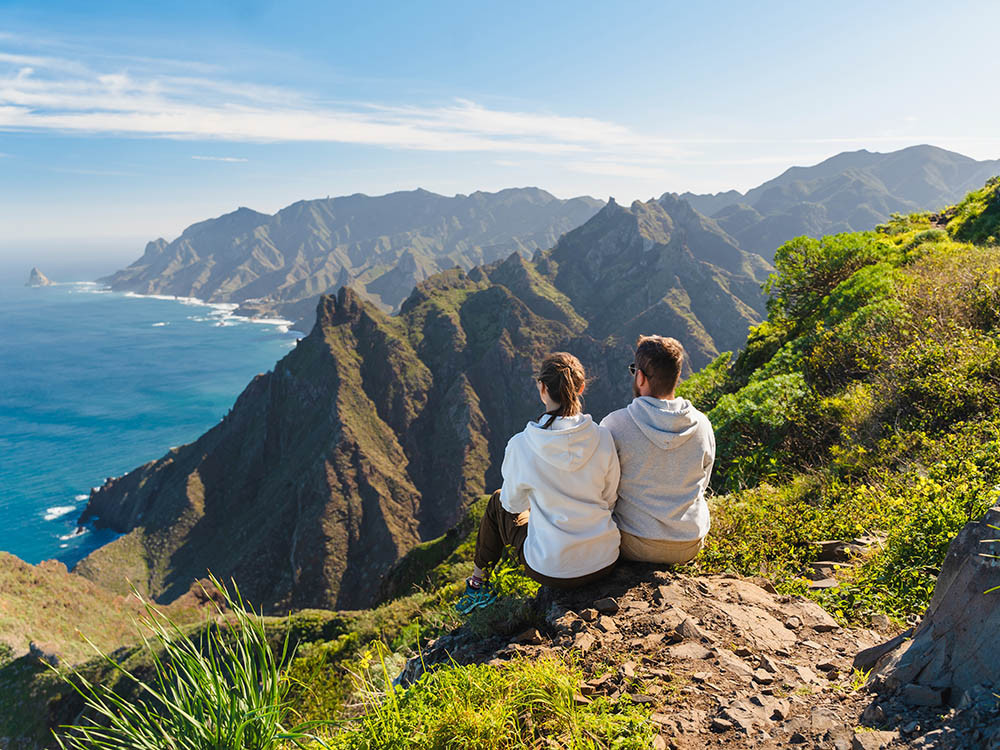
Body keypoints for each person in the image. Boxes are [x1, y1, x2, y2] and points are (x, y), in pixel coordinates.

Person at [456, 352, 621, 613]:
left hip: (550, 568)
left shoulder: (522, 445)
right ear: (580, 388)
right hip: (605, 559)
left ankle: (477, 586)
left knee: (497, 500)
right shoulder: (603, 437)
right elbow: (610, 497)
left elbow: (512, 505)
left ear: (542, 388)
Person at [600, 335, 715, 565]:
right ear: (677, 376)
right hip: (689, 544)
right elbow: (702, 484)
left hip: (634, 543)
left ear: (640, 377)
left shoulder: (615, 425)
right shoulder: (702, 425)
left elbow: (604, 492)